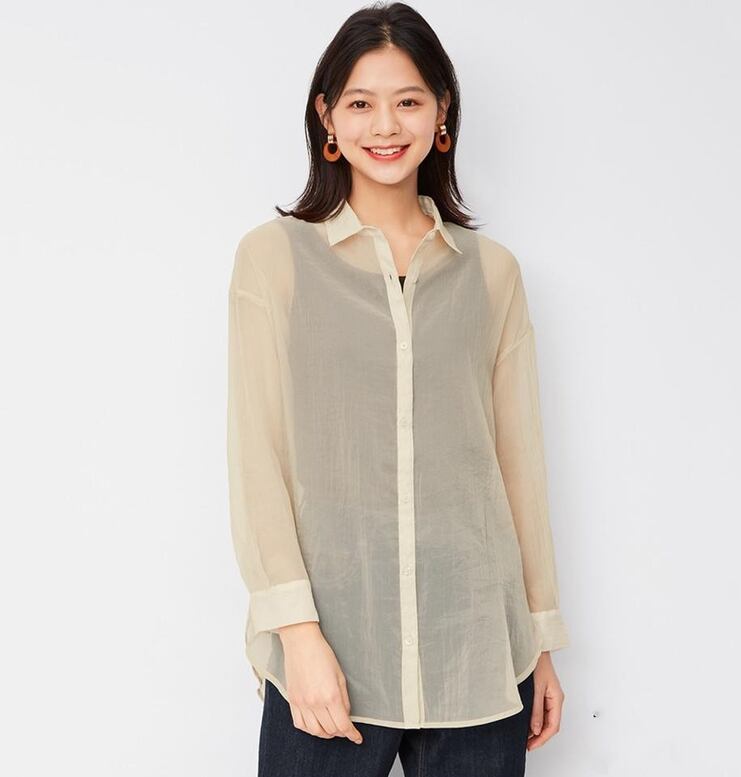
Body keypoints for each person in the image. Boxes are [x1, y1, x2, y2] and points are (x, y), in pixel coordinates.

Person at [226, 3, 570, 775]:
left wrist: (538, 639)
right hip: (331, 653)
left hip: (481, 654)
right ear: (326, 116)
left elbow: (517, 467)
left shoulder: (491, 274)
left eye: (408, 100)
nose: (385, 125)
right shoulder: (274, 260)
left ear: (442, 113)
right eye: (360, 102)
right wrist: (296, 633)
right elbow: (257, 459)